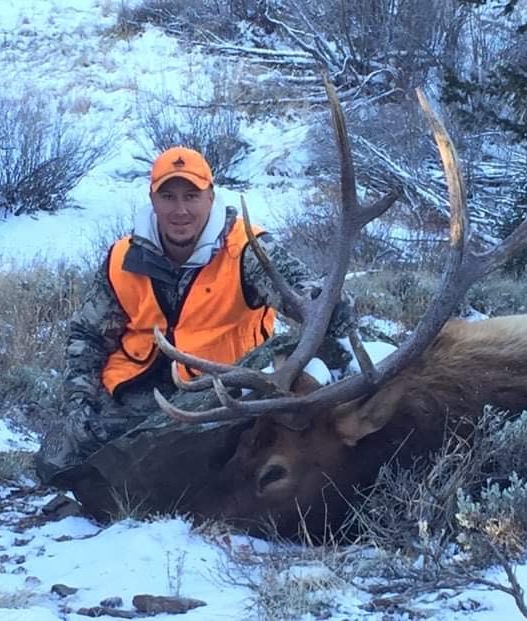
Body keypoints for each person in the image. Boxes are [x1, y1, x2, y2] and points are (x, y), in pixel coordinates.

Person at [36, 146, 354, 480]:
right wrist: (80, 402)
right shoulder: (123, 257)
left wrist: (326, 302)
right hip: (134, 393)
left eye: (191, 196)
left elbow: (302, 290)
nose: (180, 210)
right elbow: (87, 336)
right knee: (56, 462)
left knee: (179, 473)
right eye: (168, 197)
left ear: (210, 196)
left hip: (219, 393)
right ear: (152, 199)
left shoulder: (247, 249)